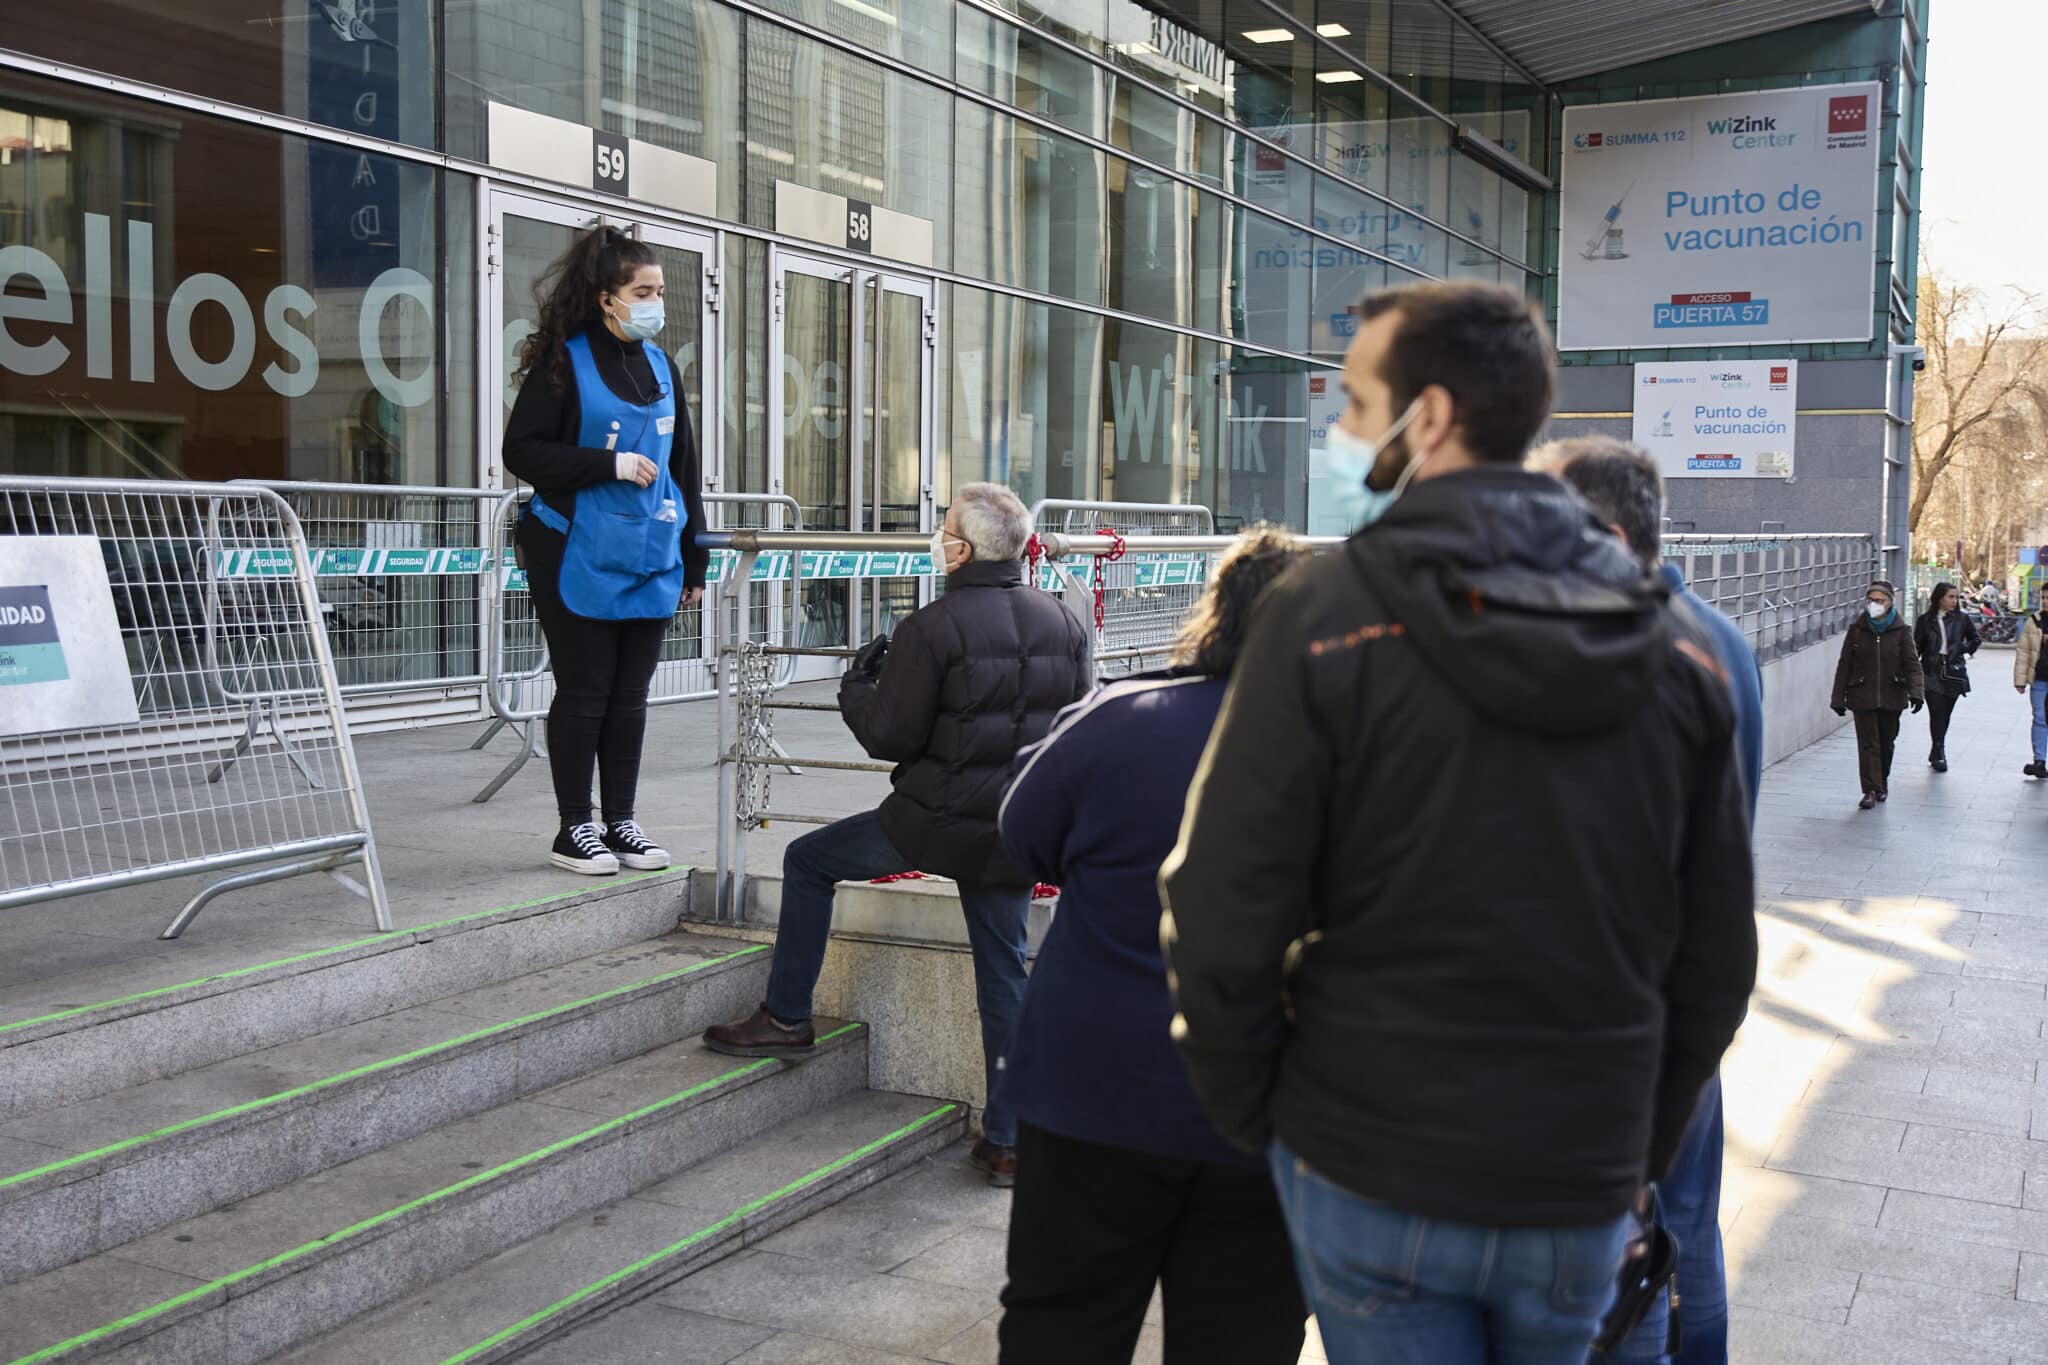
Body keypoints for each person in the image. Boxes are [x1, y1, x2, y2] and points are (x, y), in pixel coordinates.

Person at [1158, 280, 1758, 1365]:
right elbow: (1712, 960)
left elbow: (1217, 901)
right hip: (1577, 1172)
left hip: (1366, 1157)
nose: (1339, 433)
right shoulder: (1681, 653)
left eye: (1351, 402)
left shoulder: (1320, 616)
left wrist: (1261, 1117)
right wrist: (1632, 1144)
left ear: (1425, 417)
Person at [703, 483, 1093, 1186]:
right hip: (1017, 830)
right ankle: (1008, 1141)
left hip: (933, 824)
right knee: (1003, 971)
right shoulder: (1067, 624)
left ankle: (787, 1017)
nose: (937, 538)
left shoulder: (934, 626)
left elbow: (889, 734)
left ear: (963, 549)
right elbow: (1075, 733)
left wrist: (857, 684)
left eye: (944, 529)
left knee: (808, 859)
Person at [993, 527, 1310, 1365]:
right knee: (1243, 1339)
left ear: (1212, 615)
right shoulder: (1355, 754)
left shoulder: (1120, 717)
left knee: (1060, 1326)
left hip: (1093, 1092)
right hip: (1270, 1110)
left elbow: (1021, 833)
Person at [1540, 437, 1764, 1365]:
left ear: (1603, 529)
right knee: (1689, 1228)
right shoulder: (1725, 638)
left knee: (1624, 1245)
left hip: (1628, 995)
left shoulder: (1637, 648)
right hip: (1688, 988)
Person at [504, 225, 709, 876]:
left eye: (660, 291)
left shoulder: (661, 367)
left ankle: (621, 819)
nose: (655, 302)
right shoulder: (563, 363)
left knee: (631, 693)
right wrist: (609, 462)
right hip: (573, 549)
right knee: (586, 688)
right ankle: (575, 826)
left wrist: (695, 557)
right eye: (642, 290)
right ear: (605, 298)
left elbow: (684, 467)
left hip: (650, 552)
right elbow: (523, 451)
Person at [1830, 581, 1925, 810]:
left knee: (1886, 742)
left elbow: (1912, 664)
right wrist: (1837, 697)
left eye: (1880, 600)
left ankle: (1881, 781)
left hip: (1892, 693)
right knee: (1868, 743)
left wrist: (1916, 693)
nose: (1875, 604)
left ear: (1890, 602)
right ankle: (1870, 789)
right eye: (1871, 600)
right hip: (1862, 694)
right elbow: (1845, 664)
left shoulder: (1902, 631)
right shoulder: (1857, 630)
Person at [1915, 582, 1980, 773]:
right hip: (1932, 671)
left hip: (1953, 670)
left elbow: (1976, 638)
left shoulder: (1962, 619)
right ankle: (1940, 751)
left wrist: (1963, 649)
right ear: (1939, 598)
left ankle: (1936, 748)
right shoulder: (1925, 621)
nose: (1954, 601)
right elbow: (1916, 648)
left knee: (1946, 714)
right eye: (1950, 597)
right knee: (1936, 712)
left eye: (1956, 597)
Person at [2013, 604, 2048, 779]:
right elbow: (2023, 652)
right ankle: (2040, 761)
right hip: (2040, 678)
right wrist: (2020, 680)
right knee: (2040, 718)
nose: (2046, 601)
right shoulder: (2034, 622)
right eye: (2044, 597)